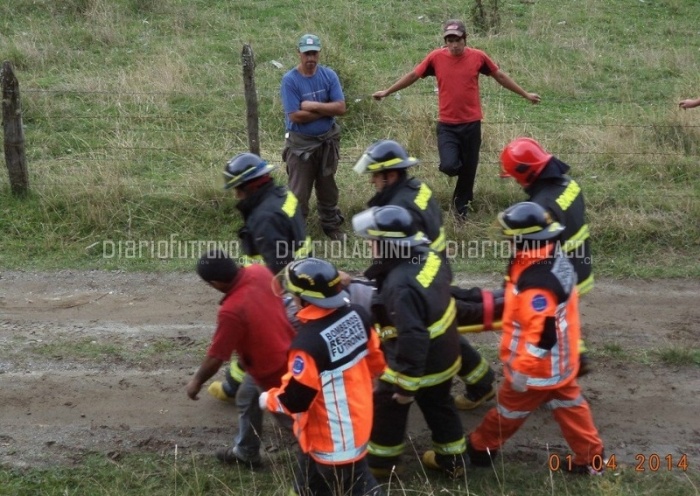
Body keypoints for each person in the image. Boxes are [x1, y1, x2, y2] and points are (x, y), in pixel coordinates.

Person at [353, 139, 499, 410]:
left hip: (418, 275)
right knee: (443, 325)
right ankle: (481, 381)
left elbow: (393, 255)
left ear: (391, 174)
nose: (372, 180)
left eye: (376, 174)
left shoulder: (400, 209)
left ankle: (476, 383)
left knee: (431, 330)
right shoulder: (417, 188)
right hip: (433, 268)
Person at [467, 202, 605, 475]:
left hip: (536, 370)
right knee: (571, 406)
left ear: (523, 240)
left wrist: (521, 371)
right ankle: (592, 459)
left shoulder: (536, 285)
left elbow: (542, 334)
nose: (507, 241)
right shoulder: (553, 257)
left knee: (507, 412)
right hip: (561, 362)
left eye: (510, 237)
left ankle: (479, 449)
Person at [372, 19, 540, 220]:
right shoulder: (435, 58)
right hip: (447, 125)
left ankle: (461, 209)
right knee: (450, 166)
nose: (454, 44)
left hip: (471, 124)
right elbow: (412, 76)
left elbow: (500, 77)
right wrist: (387, 91)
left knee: (469, 170)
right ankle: (461, 180)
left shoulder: (478, 57)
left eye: (457, 40)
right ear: (445, 41)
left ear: (465, 39)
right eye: (450, 40)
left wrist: (525, 94)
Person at [353, 205, 467, 478]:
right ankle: (452, 462)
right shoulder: (428, 256)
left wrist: (405, 385)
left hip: (420, 362)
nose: (369, 245)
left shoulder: (399, 285)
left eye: (372, 240)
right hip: (446, 351)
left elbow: (412, 336)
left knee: (388, 405)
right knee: (440, 406)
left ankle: (382, 464)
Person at [260, 257, 386, 496]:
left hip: (334, 443)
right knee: (308, 482)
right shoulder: (357, 315)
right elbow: (376, 360)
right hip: (354, 421)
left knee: (358, 486)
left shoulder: (308, 345)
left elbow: (295, 399)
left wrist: (267, 399)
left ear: (303, 299)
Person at [207, 152, 309, 404]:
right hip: (301, 275)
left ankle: (235, 390)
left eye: (237, 189)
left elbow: (276, 265)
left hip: (278, 288)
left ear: (250, 186)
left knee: (256, 340)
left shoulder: (265, 218)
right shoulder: (282, 195)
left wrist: (259, 297)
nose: (236, 196)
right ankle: (234, 387)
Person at [186, 250, 296, 467]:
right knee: (247, 397)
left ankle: (330, 462)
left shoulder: (231, 311)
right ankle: (246, 452)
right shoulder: (260, 272)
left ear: (216, 283)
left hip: (271, 372)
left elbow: (216, 357)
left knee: (294, 422)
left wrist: (196, 382)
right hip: (289, 350)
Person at [499, 137, 593, 375]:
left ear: (528, 173)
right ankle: (577, 354)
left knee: (544, 323)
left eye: (517, 177)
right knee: (565, 316)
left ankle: (556, 368)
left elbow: (534, 251)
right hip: (580, 265)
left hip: (560, 274)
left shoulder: (543, 207)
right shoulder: (569, 184)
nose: (517, 182)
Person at [281, 33, 346, 240]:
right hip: (301, 145)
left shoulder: (329, 75)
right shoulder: (290, 80)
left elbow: (341, 107)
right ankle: (295, 233)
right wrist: (327, 109)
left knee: (328, 188)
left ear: (319, 53)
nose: (311, 58)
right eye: (307, 53)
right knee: (299, 191)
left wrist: (312, 106)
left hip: (327, 141)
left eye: (314, 53)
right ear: (298, 53)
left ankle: (331, 225)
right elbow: (295, 116)